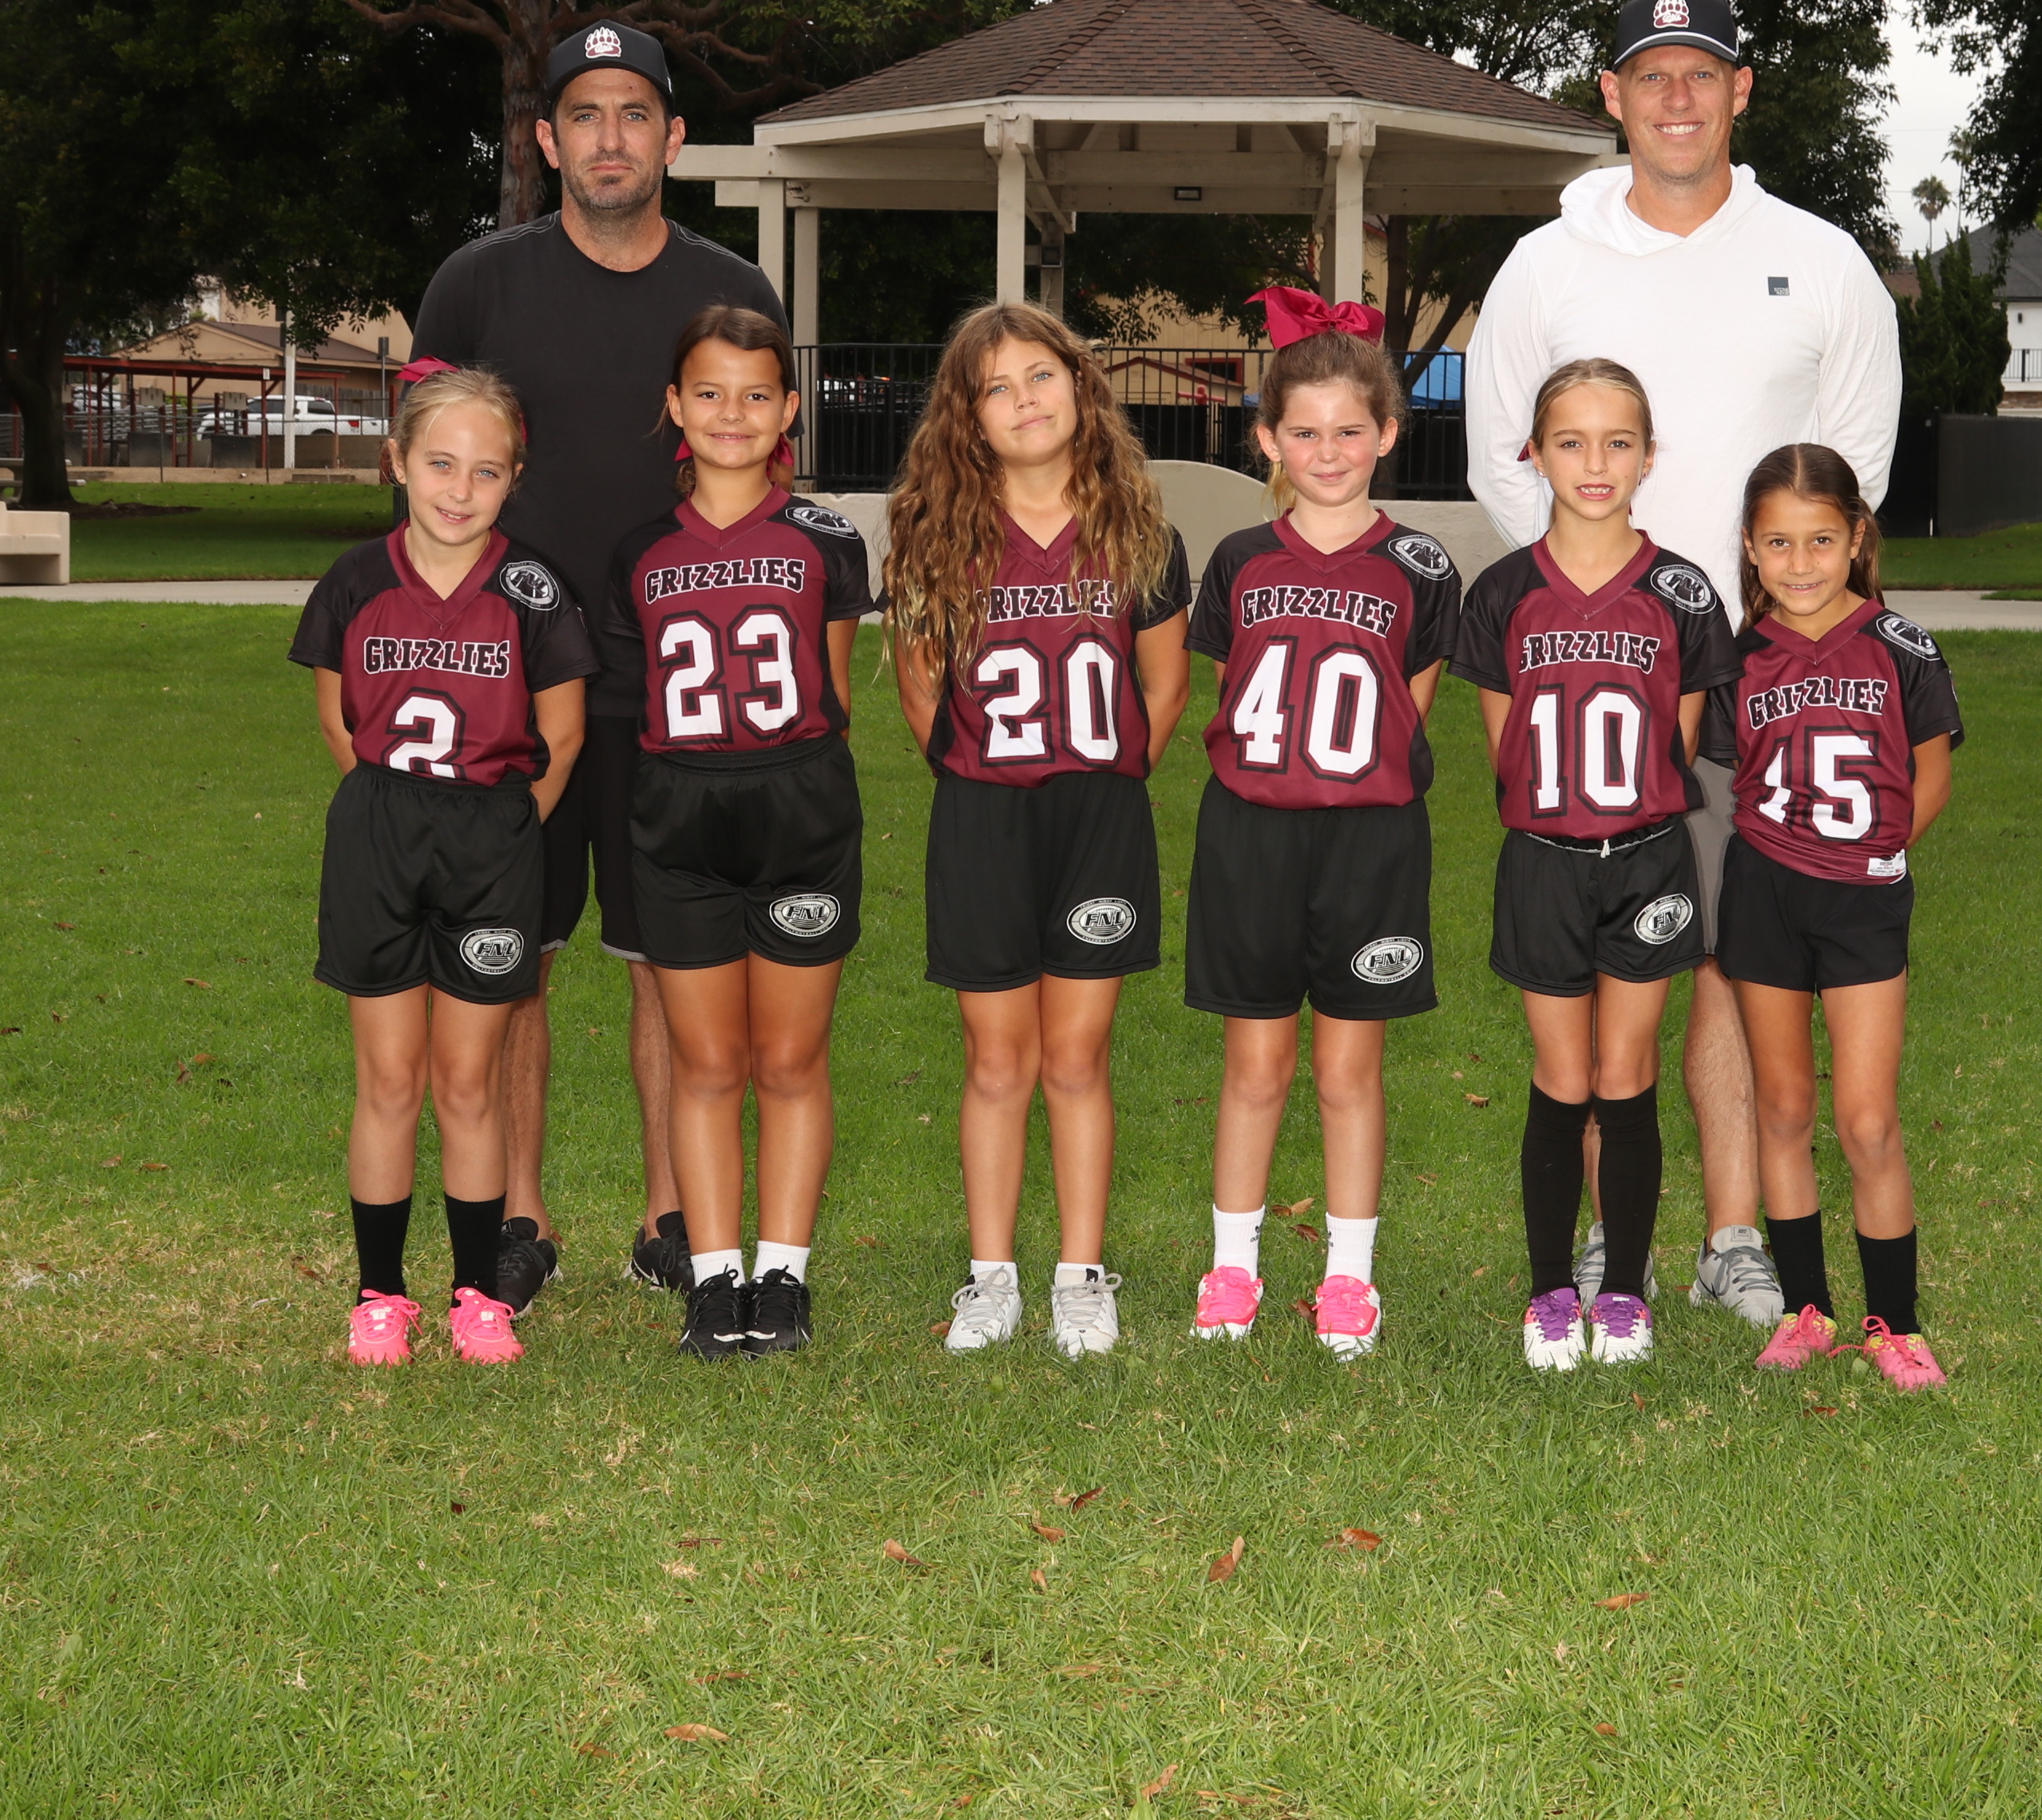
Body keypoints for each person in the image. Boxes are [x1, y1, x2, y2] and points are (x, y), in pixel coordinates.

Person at [1463, 0, 1901, 1335]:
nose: (1673, 97)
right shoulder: (1546, 265)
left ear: (1738, 91)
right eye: (1648, 73)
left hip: (1763, 678)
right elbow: (1500, 458)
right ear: (1610, 94)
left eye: (1699, 73)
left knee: (1723, 956)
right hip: (1603, 674)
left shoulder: (1821, 260)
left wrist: (1773, 623)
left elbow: (1852, 470)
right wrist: (1599, 605)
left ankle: (1731, 1236)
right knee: (1616, 969)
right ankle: (1615, 1240)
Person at [410, 20, 787, 1317]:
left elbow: (763, 485)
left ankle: (671, 1215)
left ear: (672, 137)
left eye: (634, 113)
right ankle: (519, 1217)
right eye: (585, 114)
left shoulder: (732, 291)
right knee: (512, 959)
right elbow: (420, 476)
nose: (609, 137)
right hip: (509, 685)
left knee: (667, 960)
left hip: (675, 682)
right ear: (545, 138)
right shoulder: (476, 286)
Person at [884, 303, 1189, 1360]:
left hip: (1099, 813)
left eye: (1041, 376)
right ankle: (991, 1275)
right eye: (996, 388)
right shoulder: (935, 537)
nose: (1024, 400)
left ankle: (1080, 1274)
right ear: (966, 418)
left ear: (1081, 385)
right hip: (984, 813)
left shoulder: (1140, 533)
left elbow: (1163, 687)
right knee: (995, 1056)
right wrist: (980, 775)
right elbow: (921, 690)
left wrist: (1106, 775)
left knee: (1078, 1053)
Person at [287, 370, 597, 1366]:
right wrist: (394, 815)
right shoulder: (354, 580)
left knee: (468, 1080)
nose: (460, 489)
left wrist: (503, 827)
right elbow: (337, 721)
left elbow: (563, 734)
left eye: (487, 471)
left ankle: (477, 1294)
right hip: (380, 833)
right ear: (397, 463)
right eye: (440, 464)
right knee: (389, 1077)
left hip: (490, 841)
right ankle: (379, 1293)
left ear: (515, 479)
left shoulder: (533, 589)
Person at [1182, 312, 1460, 1361]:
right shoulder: (1240, 558)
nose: (1328, 452)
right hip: (1251, 833)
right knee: (1254, 1064)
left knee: (1349, 1068)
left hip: (1369, 839)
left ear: (1388, 432)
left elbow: (1409, 708)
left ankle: (1349, 1278)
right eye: (1305, 432)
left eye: (1350, 431)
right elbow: (1234, 689)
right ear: (1268, 439)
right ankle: (1233, 1266)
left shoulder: (1421, 566)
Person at [1450, 361, 1736, 1372]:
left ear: (1649, 456)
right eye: (1570, 442)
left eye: (1619, 442)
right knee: (1562, 1076)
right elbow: (1506, 750)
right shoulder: (1502, 592)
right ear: (1535, 454)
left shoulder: (1681, 591)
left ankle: (1620, 1291)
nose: (1595, 462)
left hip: (1647, 860)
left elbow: (1678, 749)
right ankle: (1547, 1292)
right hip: (1543, 860)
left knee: (1628, 1073)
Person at [601, 307, 871, 1362]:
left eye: (757, 394)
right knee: (707, 1061)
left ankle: (783, 1275)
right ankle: (715, 1279)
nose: (732, 413)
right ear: (675, 405)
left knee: (791, 1058)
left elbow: (833, 695)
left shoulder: (827, 538)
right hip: (680, 812)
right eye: (709, 393)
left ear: (788, 409)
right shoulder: (639, 550)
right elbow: (635, 701)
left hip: (799, 807)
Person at [1723, 445, 1961, 1390]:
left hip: (1862, 898)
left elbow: (1932, 772)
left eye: (1820, 540)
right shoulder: (1738, 658)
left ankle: (1895, 1322)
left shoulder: (1901, 645)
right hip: (1764, 893)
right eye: (1779, 542)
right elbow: (1718, 777)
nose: (1801, 562)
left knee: (1867, 1119)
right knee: (1783, 1107)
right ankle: (1807, 1310)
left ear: (1857, 537)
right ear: (1751, 547)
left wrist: (1888, 850)